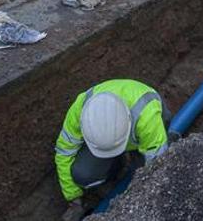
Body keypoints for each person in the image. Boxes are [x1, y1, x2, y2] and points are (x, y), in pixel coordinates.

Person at [55, 79, 170, 221]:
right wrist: (73, 199)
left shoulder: (147, 117)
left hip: (149, 124)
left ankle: (168, 140)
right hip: (118, 137)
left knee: (143, 173)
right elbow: (63, 153)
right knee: (82, 174)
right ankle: (117, 170)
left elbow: (157, 166)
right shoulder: (79, 112)